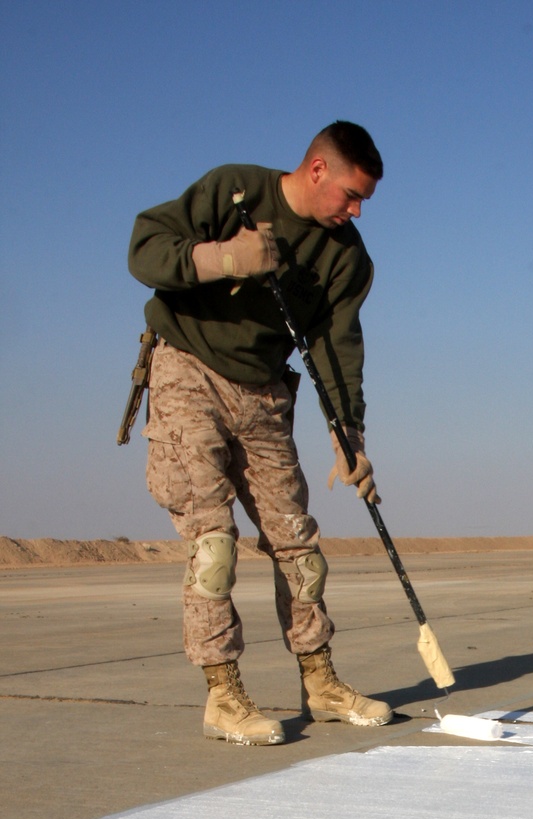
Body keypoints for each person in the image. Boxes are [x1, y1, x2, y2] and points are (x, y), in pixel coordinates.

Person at [128, 120, 392, 745]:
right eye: (351, 195)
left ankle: (320, 681)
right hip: (187, 368)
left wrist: (347, 432)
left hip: (264, 392)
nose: (355, 211)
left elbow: (336, 345)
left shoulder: (346, 258)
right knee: (213, 542)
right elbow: (145, 247)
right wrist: (221, 258)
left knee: (299, 547)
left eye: (365, 202)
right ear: (318, 169)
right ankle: (223, 695)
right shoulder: (236, 191)